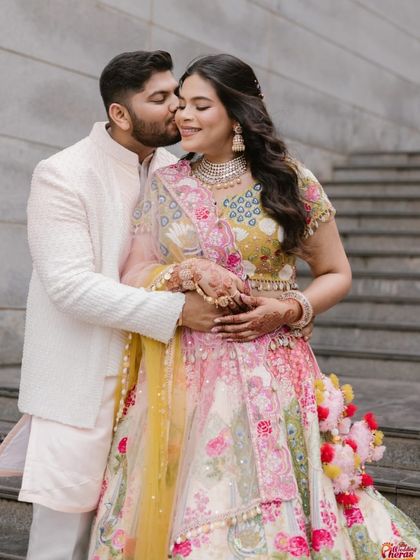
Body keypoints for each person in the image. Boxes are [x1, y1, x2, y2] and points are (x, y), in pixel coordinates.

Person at [89, 53, 420, 559]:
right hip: (189, 371)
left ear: (237, 113)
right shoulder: (166, 182)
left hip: (275, 369)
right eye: (182, 104)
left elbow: (336, 273)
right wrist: (188, 272)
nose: (183, 115)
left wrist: (287, 310)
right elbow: (134, 273)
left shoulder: (289, 180)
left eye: (201, 106)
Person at [0, 50, 238, 560]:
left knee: (132, 535)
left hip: (162, 382)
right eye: (160, 98)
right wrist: (177, 312)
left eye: (177, 94)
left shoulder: (180, 172)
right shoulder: (63, 173)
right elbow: (70, 286)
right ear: (120, 114)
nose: (176, 107)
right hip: (83, 381)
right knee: (61, 540)